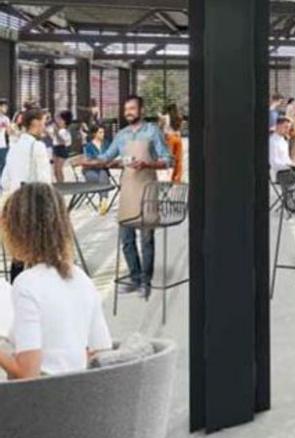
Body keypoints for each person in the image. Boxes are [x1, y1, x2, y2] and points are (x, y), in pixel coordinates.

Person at [0, 183, 111, 380]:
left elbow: (28, 374)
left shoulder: (27, 284)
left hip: (40, 402)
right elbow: (100, 350)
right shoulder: (81, 278)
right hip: (76, 396)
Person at [96, 95, 174, 297]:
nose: (128, 112)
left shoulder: (152, 131)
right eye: (126, 109)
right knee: (127, 238)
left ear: (141, 109)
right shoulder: (121, 135)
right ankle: (135, 277)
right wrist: (87, 160)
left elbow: (167, 160)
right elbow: (106, 157)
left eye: (132, 108)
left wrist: (147, 164)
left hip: (148, 187)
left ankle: (146, 282)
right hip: (128, 187)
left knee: (146, 238)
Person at [0, 108, 53, 283]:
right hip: (34, 206)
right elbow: (45, 182)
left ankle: (15, 290)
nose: (45, 125)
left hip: (14, 205)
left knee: (18, 253)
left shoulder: (14, 147)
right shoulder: (37, 146)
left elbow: (4, 181)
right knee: (38, 251)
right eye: (44, 121)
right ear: (35, 122)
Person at [269, 116, 293, 184]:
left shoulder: (284, 141)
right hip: (278, 174)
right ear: (278, 126)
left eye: (288, 128)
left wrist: (293, 164)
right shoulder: (272, 141)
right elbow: (274, 163)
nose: (287, 130)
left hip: (287, 171)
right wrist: (290, 166)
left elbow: (287, 159)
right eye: (285, 127)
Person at [163, 105, 184, 183]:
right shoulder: (178, 117)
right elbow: (179, 127)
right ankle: (176, 178)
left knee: (168, 159)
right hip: (177, 137)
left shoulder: (165, 117)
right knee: (179, 160)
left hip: (169, 137)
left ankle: (167, 178)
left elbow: (161, 127)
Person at [50, 111, 72, 183]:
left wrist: (56, 132)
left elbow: (62, 142)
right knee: (55, 170)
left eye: (60, 120)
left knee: (59, 169)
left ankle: (61, 183)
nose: (58, 121)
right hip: (56, 148)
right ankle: (58, 183)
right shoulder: (59, 130)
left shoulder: (64, 131)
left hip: (62, 149)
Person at [0, 99, 11, 177]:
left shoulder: (6, 119)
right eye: (4, 106)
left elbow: (8, 132)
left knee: (4, 163)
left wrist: (9, 128)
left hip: (3, 145)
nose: (6, 108)